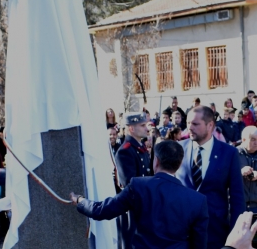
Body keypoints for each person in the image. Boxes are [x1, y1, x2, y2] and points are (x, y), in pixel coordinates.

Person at [71, 141, 209, 248]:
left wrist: (80, 200)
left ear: (156, 161)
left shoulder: (138, 186)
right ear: (179, 164)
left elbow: (103, 210)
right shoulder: (198, 200)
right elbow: (199, 245)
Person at [175, 105, 245, 249]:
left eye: (195, 124)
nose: (189, 128)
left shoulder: (229, 153)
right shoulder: (178, 149)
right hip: (182, 232)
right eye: (188, 123)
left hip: (216, 232)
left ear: (210, 125)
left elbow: (237, 196)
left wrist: (236, 234)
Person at [115, 112, 151, 249]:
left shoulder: (140, 149)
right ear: (131, 129)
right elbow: (129, 185)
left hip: (143, 207)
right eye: (142, 125)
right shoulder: (125, 151)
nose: (146, 128)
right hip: (132, 210)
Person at [237, 126, 257, 213]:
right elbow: (222, 176)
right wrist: (239, 172)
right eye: (253, 139)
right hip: (238, 205)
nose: (256, 142)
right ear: (244, 140)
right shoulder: (233, 154)